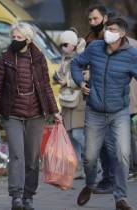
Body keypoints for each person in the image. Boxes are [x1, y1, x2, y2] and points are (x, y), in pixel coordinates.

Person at [71, 18, 137, 210]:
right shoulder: (95, 48)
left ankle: (120, 199)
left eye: (113, 29)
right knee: (90, 157)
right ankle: (90, 184)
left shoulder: (131, 55)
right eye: (108, 28)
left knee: (123, 155)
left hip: (119, 113)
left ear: (122, 34)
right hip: (95, 112)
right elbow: (76, 64)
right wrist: (80, 82)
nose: (108, 31)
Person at [0, 22, 61, 210]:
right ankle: (16, 197)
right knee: (17, 156)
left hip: (36, 115)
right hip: (12, 114)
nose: (15, 40)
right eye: (13, 37)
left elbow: (45, 87)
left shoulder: (38, 58)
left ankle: (29, 196)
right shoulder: (5, 59)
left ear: (28, 40)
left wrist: (55, 111)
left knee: (32, 158)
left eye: (19, 38)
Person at [53, 29, 87, 179]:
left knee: (79, 134)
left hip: (79, 100)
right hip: (67, 100)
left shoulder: (83, 57)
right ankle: (78, 168)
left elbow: (86, 77)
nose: (63, 47)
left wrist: (67, 82)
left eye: (66, 44)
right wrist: (57, 78)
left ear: (73, 44)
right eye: (61, 45)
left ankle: (94, 161)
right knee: (71, 135)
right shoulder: (65, 58)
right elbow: (61, 76)